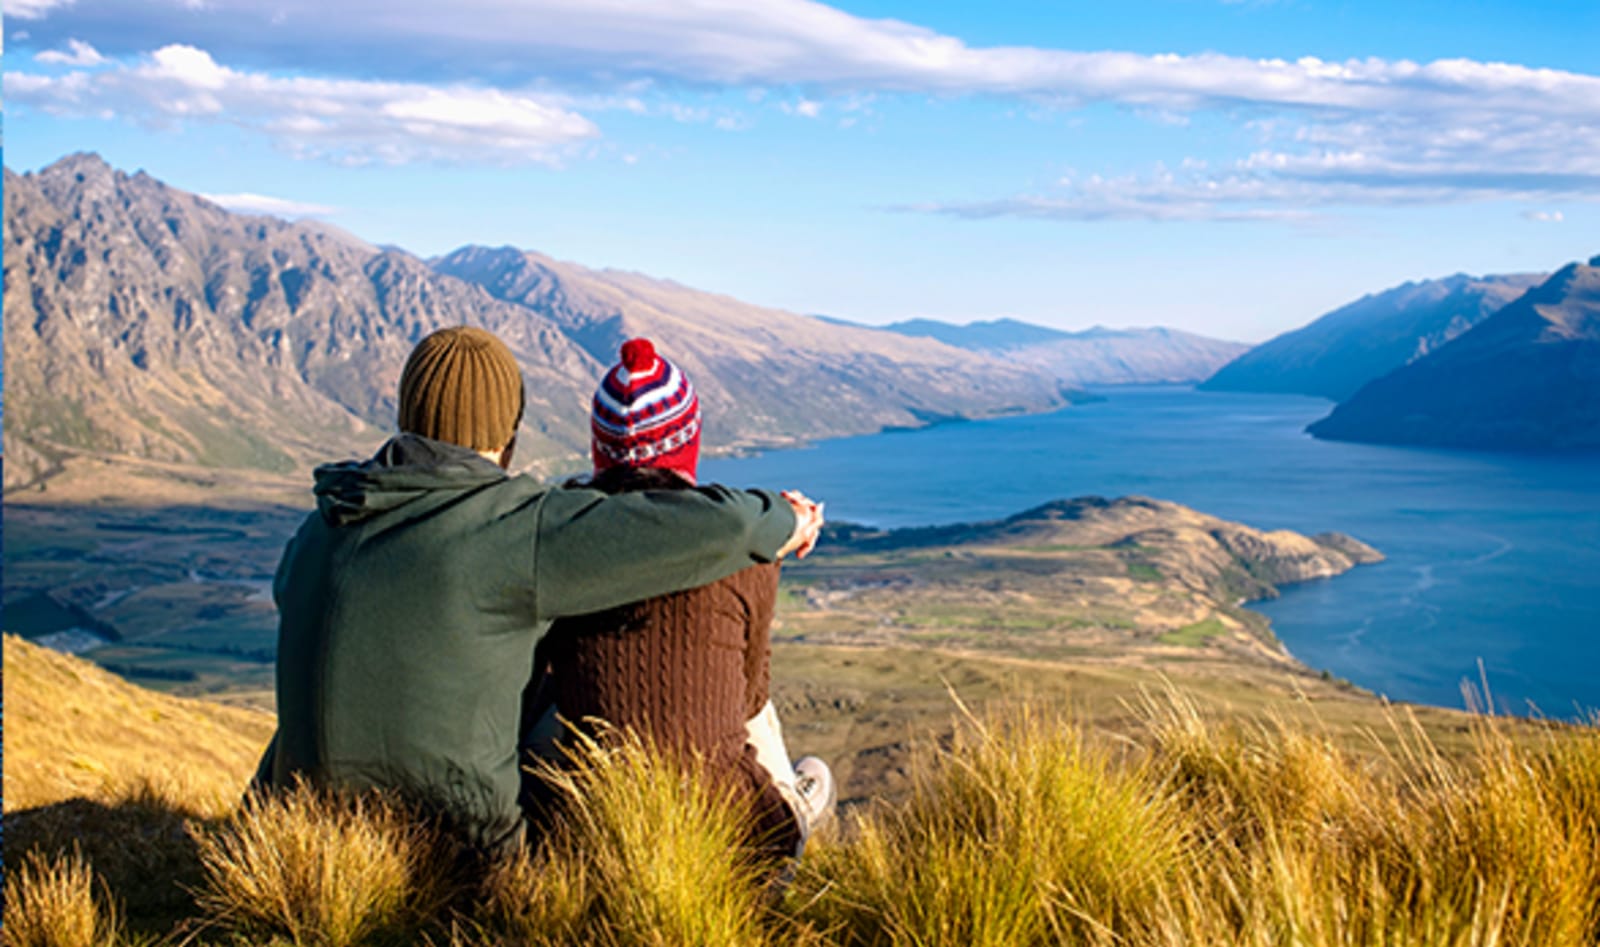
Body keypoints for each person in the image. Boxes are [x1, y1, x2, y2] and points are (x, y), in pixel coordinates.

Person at [253, 326, 823, 852]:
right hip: (459, 858)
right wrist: (786, 518)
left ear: (406, 415)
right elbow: (719, 527)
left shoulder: (320, 527)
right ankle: (785, 817)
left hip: (302, 838)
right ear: (508, 436)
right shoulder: (508, 529)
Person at [523, 338, 835, 862]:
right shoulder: (746, 550)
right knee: (752, 703)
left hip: (591, 846)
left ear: (601, 449)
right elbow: (751, 695)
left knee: (550, 700)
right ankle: (791, 820)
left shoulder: (559, 544)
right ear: (687, 444)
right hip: (739, 859)